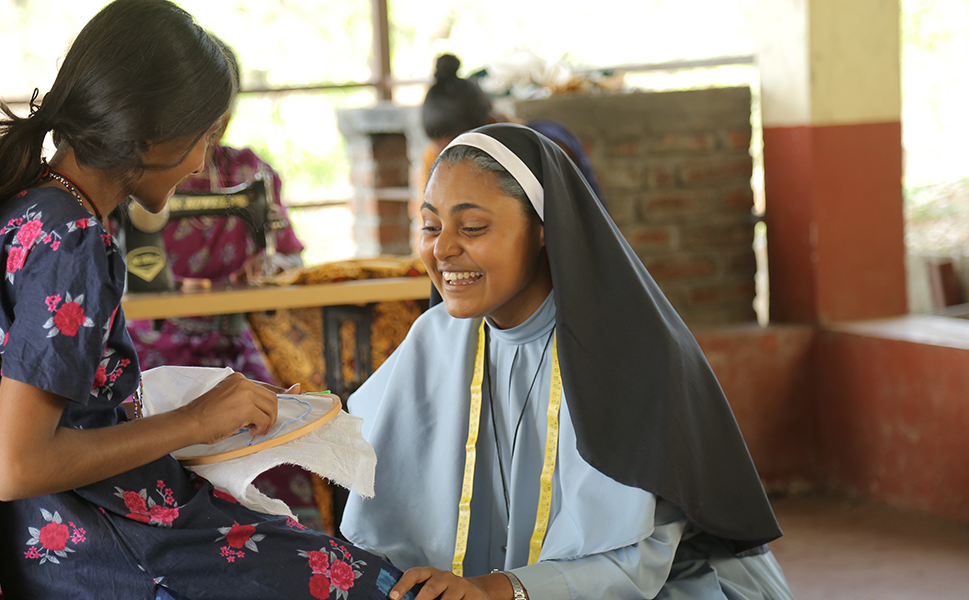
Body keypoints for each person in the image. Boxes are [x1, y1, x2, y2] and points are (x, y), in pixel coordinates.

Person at [0, 1, 411, 598]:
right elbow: (16, 466)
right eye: (204, 137)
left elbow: (68, 407)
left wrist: (203, 413)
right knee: (375, 583)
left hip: (79, 537)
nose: (204, 161)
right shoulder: (74, 243)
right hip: (119, 549)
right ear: (152, 135)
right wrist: (195, 420)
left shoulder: (32, 210)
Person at [341, 123, 795, 599]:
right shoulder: (436, 338)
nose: (443, 249)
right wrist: (286, 413)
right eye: (430, 226)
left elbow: (634, 562)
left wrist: (495, 591)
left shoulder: (624, 352)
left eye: (472, 227)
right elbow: (365, 443)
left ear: (543, 229)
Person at [124, 36, 320, 528]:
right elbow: (111, 269)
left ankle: (288, 542)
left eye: (225, 111)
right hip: (155, 346)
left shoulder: (248, 171)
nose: (217, 126)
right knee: (162, 452)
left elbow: (289, 257)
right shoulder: (138, 175)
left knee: (281, 434)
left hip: (232, 342)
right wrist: (164, 290)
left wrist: (267, 269)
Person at [417, 54, 603, 212]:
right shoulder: (436, 156)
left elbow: (568, 227)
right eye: (443, 149)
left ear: (491, 122)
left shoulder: (544, 149)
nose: (450, 156)